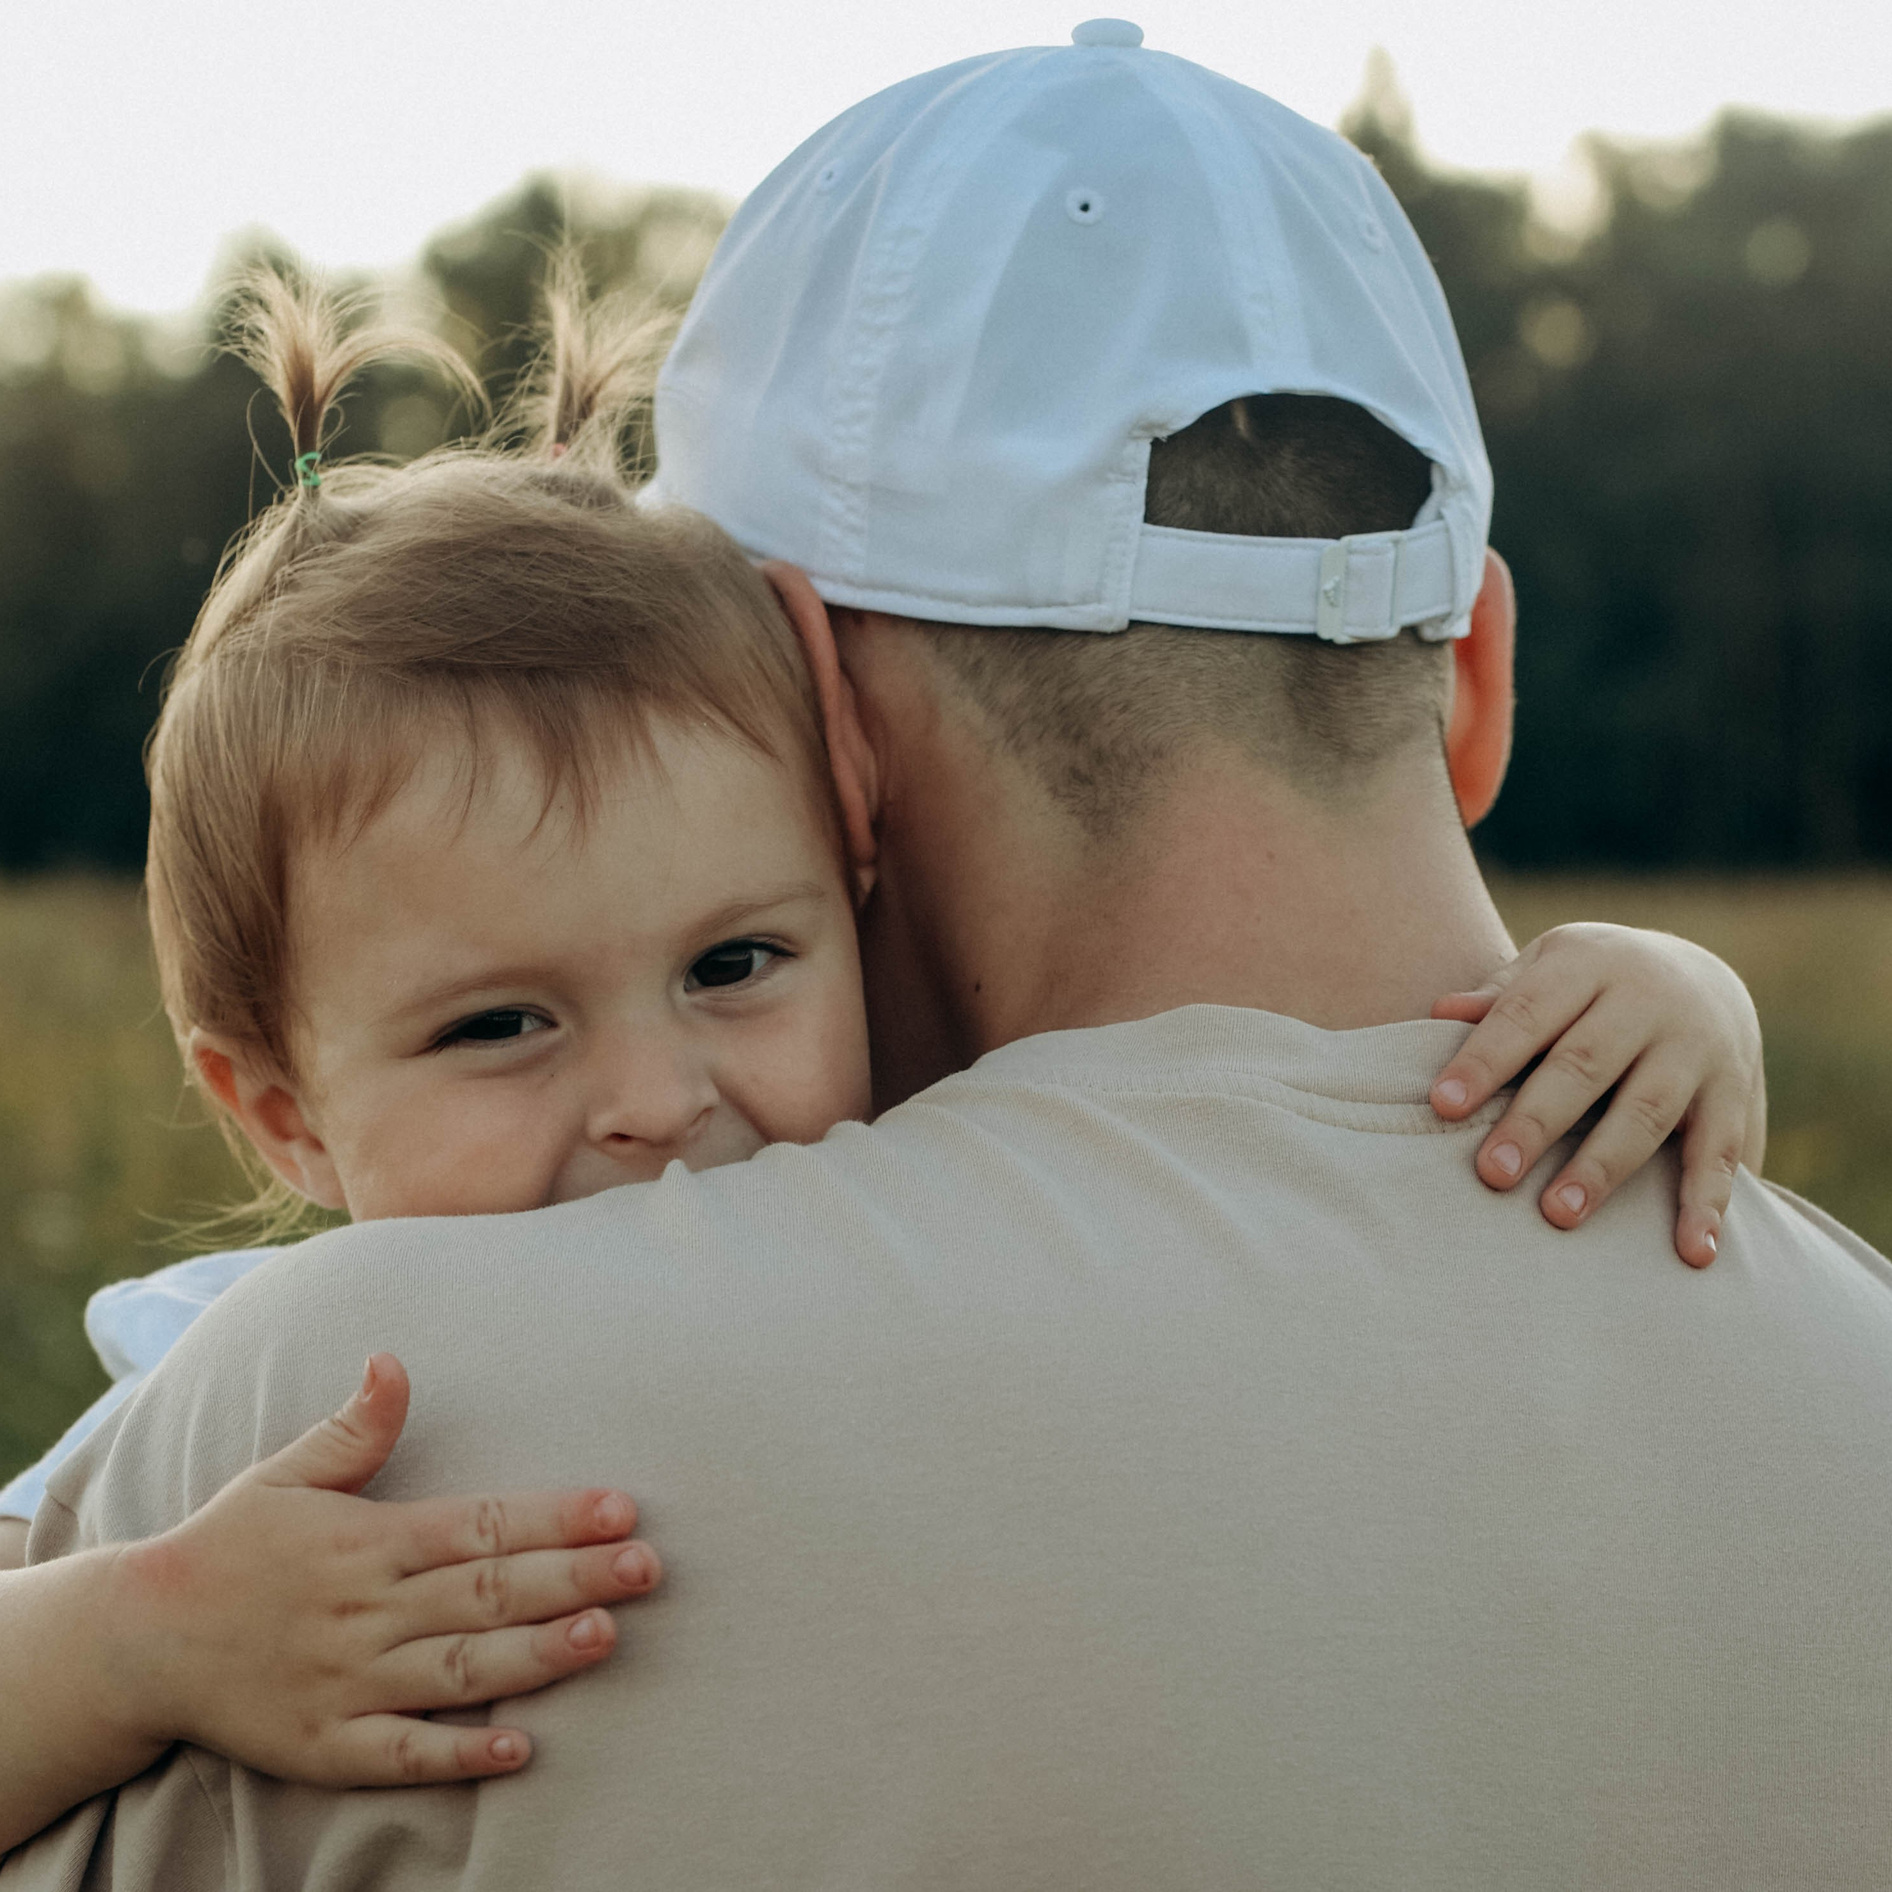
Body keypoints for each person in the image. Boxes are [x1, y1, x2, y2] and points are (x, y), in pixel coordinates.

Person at [9, 24, 1891, 1888]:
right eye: (505, 1018)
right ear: (1479, 682)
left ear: (823, 715)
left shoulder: (359, 1443)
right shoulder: (1824, 1337)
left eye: (726, 960)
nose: (654, 1101)